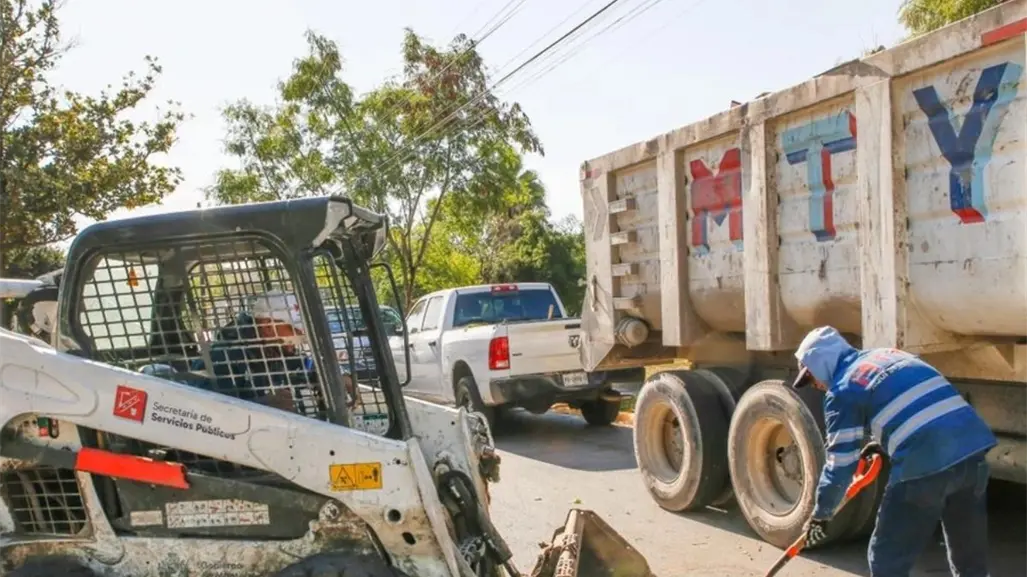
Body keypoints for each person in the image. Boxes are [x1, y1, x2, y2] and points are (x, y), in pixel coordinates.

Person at [791, 326, 995, 577]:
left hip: (924, 465)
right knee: (969, 559)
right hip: (972, 452)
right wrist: (885, 441)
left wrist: (821, 515)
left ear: (821, 363)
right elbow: (918, 407)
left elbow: (840, 464)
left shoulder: (842, 390)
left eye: (812, 378)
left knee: (887, 560)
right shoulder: (892, 356)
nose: (816, 385)